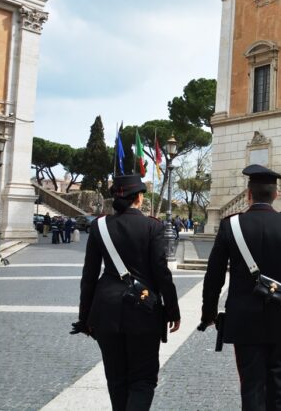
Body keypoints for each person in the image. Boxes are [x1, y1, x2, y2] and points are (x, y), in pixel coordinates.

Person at [200, 164, 281, 410]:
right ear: (276, 194)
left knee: (251, 383)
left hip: (243, 318)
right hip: (280, 314)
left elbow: (214, 275)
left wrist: (208, 313)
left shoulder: (230, 226)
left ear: (248, 194)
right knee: (278, 380)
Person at [71, 174, 181, 411]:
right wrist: (173, 310)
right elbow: (162, 273)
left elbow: (88, 276)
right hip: (144, 310)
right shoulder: (153, 226)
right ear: (139, 198)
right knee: (143, 379)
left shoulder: (99, 226)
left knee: (116, 378)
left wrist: (85, 317)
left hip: (106, 310)